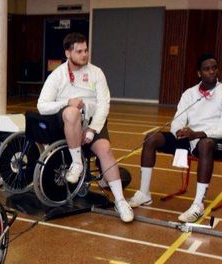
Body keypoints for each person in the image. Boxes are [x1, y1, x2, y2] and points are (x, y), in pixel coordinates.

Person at [37, 32, 134, 223]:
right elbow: (42, 105)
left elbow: (104, 103)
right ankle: (77, 163)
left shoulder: (97, 73)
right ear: (68, 53)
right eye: (79, 51)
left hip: (93, 122)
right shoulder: (57, 76)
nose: (84, 54)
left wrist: (92, 130)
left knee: (105, 149)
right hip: (68, 124)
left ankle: (121, 201)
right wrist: (67, 102)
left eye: (86, 50)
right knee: (71, 112)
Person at [128, 54, 222, 222]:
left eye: (214, 68)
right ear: (199, 73)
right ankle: (144, 193)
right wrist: (180, 131)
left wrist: (199, 134)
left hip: (214, 140)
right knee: (151, 138)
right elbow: (178, 118)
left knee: (205, 144)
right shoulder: (189, 93)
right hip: (191, 139)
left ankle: (198, 204)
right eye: (207, 69)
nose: (212, 72)